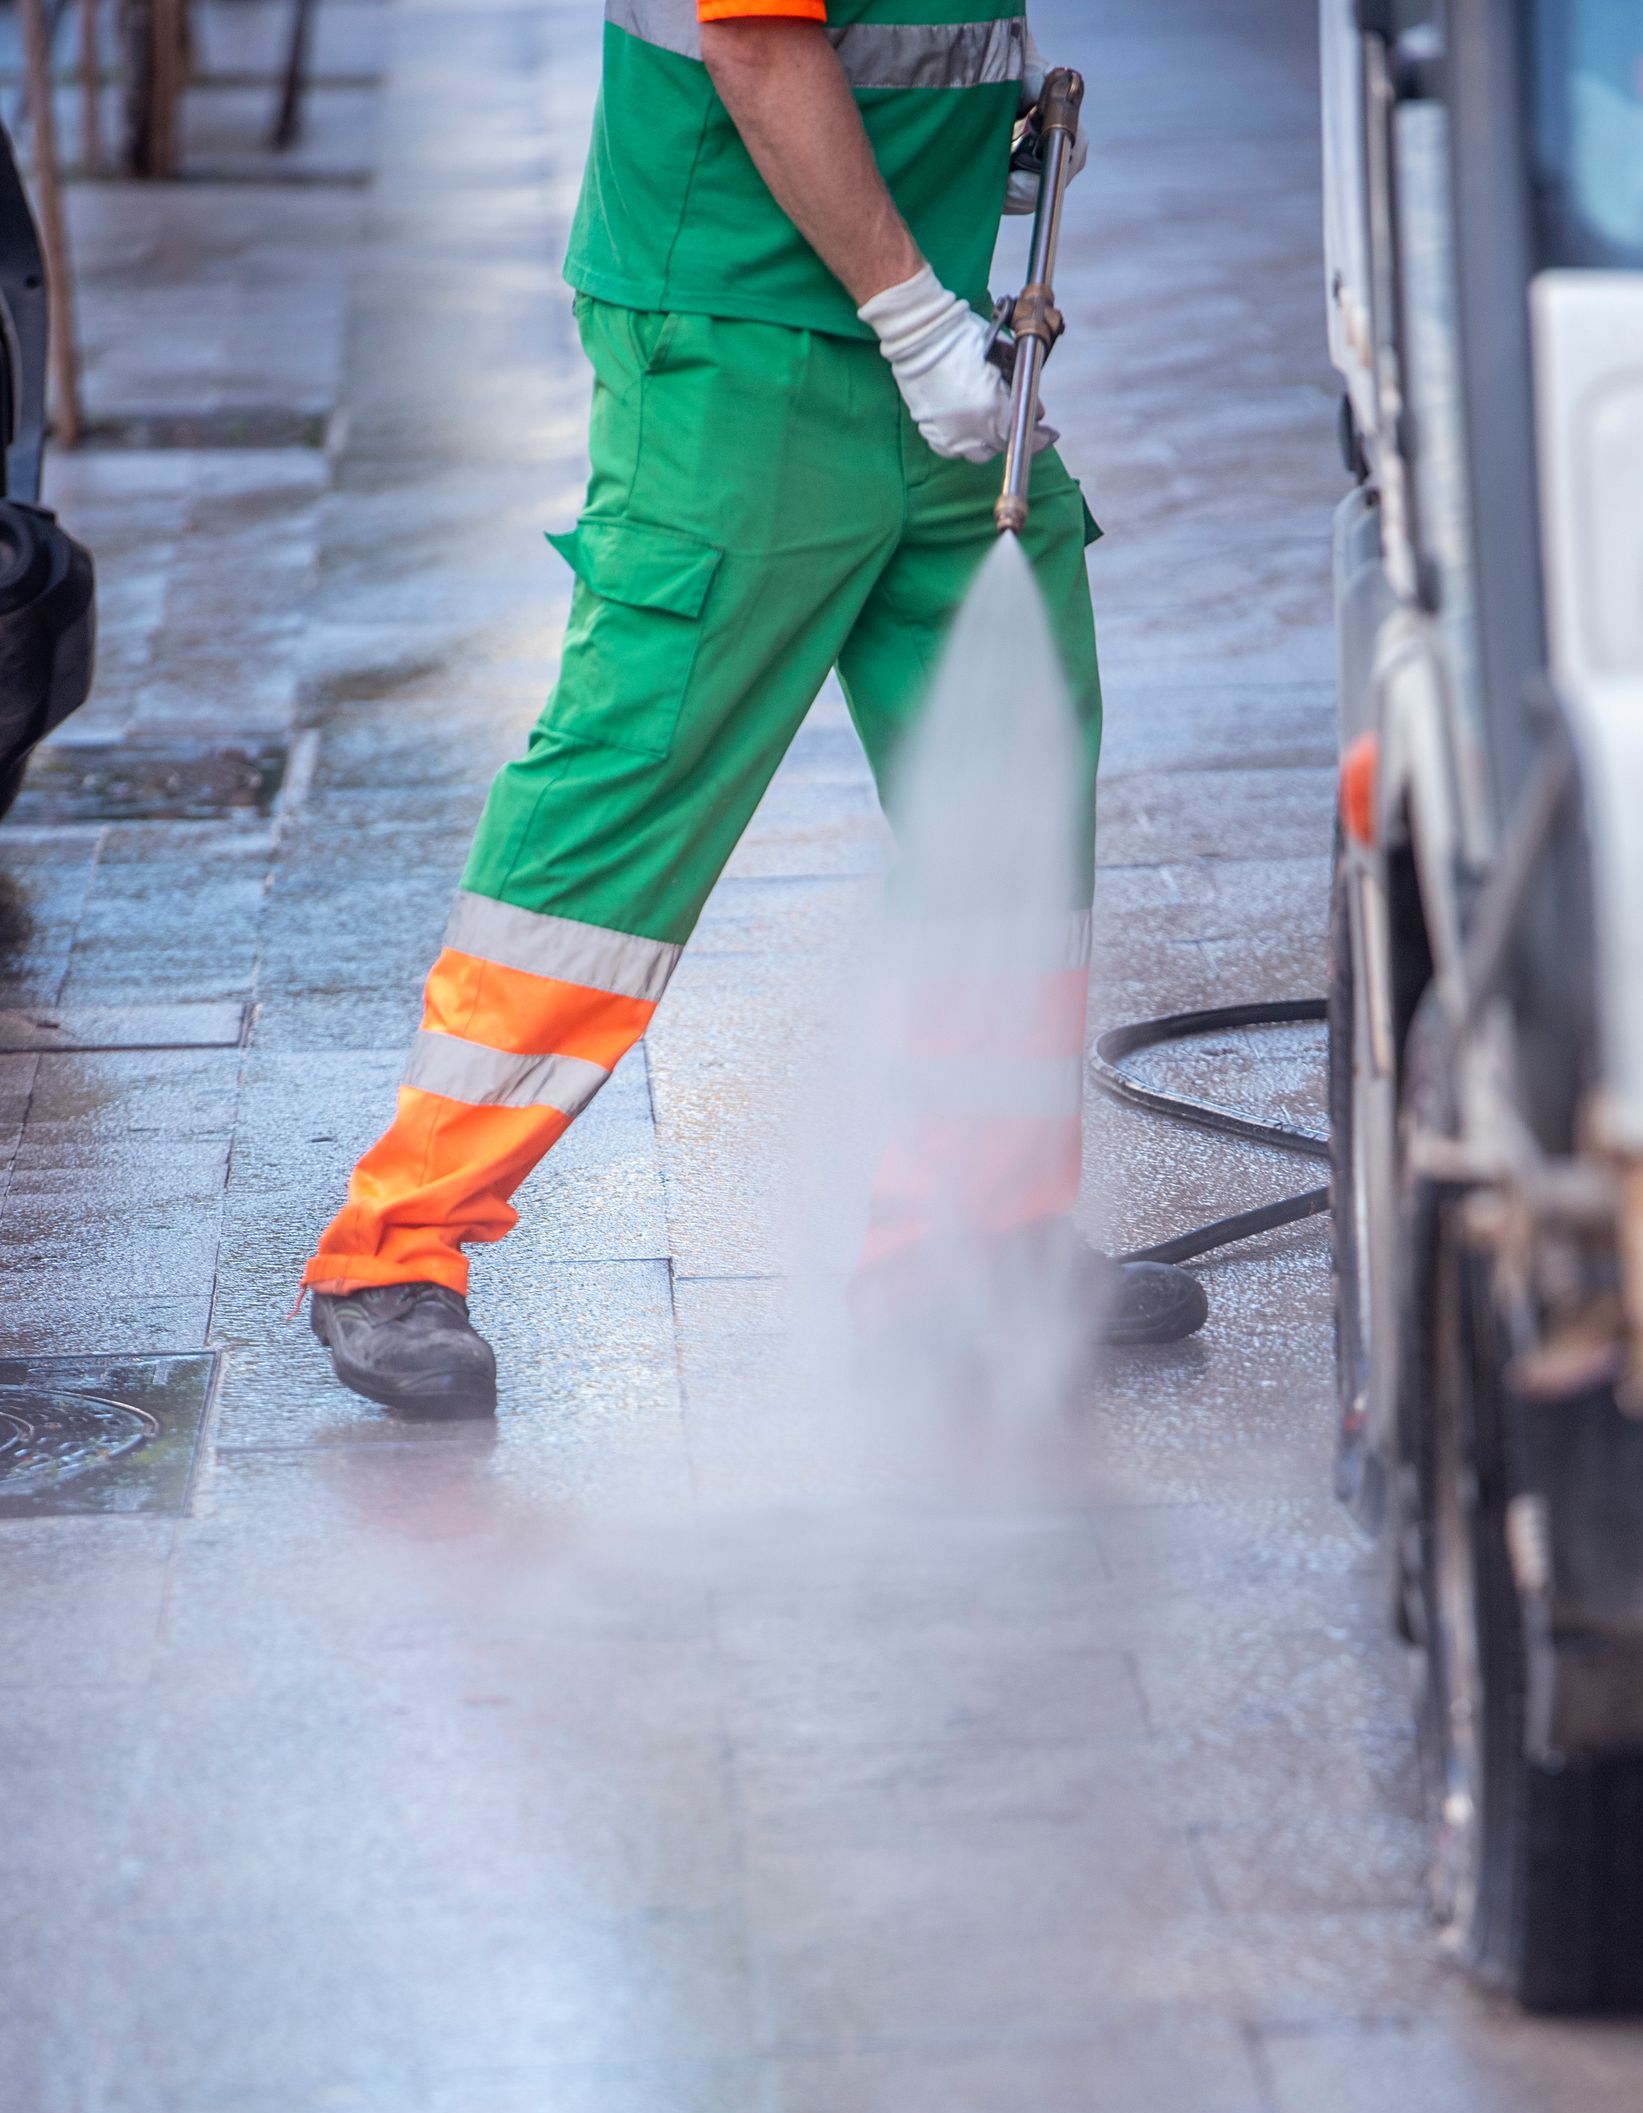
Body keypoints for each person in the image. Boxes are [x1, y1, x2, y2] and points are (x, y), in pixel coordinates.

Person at [304, 0, 1208, 1419]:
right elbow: (756, 39)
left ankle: (972, 1239)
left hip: (929, 318)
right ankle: (394, 1243)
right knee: (636, 775)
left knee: (1019, 767)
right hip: (743, 337)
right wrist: (915, 320)